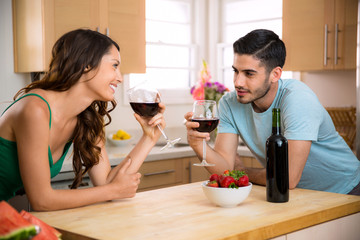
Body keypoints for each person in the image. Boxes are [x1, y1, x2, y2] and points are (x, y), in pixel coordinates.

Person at [0, 29, 166, 210]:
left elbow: (105, 182)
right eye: (115, 65)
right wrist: (113, 190)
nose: (119, 78)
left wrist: (149, 138)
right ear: (86, 64)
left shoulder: (85, 118)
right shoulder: (35, 110)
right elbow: (42, 200)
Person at [185, 29, 360, 195]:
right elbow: (224, 167)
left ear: (275, 74)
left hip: (348, 189)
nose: (238, 82)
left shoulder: (298, 99)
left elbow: (287, 178)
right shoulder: (230, 103)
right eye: (236, 71)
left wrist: (243, 172)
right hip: (300, 194)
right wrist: (197, 144)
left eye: (249, 74)